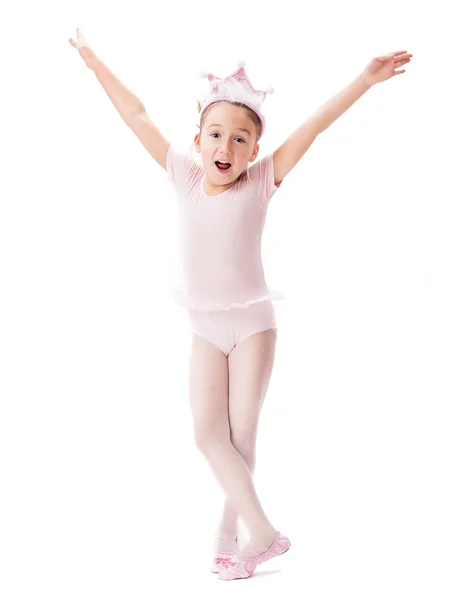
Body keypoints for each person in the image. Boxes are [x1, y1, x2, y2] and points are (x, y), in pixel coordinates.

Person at [69, 28, 412, 580]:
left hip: (252, 325)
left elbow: (315, 126)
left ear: (254, 149)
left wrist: (364, 82)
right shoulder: (184, 175)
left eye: (239, 139)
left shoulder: (261, 181)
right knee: (207, 435)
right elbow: (135, 114)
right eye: (216, 135)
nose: (225, 148)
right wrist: (94, 62)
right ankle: (266, 534)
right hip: (205, 327)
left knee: (241, 436)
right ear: (199, 139)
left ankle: (231, 541)